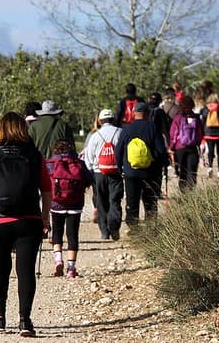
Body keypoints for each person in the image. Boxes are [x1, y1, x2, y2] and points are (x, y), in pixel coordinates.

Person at [0, 112, 51, 337]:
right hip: (29, 220)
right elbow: (46, 190)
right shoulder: (35, 156)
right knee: (25, 271)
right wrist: (45, 218)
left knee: (1, 268)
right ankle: (25, 321)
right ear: (23, 130)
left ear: (1, 130)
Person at [115, 102, 169, 229]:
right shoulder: (153, 127)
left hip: (131, 172)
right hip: (151, 172)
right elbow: (161, 150)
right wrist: (165, 165)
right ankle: (150, 228)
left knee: (132, 202)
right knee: (150, 201)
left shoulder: (127, 129)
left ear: (134, 113)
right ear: (147, 113)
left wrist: (120, 168)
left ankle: (134, 229)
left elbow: (118, 151)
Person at [46, 140, 93, 278]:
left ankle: (58, 260)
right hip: (75, 204)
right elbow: (89, 180)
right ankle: (71, 269)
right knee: (72, 235)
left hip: (56, 204)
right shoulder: (79, 163)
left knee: (57, 233)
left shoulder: (51, 164)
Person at [83, 109, 124, 240]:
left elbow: (89, 156)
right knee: (115, 200)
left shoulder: (95, 135)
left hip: (98, 173)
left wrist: (91, 171)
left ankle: (104, 231)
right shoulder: (120, 132)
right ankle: (114, 227)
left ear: (100, 121)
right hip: (116, 173)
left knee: (101, 202)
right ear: (113, 119)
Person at [169, 96, 204, 192]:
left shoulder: (178, 118)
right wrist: (197, 143)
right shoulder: (196, 117)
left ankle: (183, 192)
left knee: (183, 171)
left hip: (180, 148)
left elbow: (174, 133)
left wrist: (172, 147)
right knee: (192, 171)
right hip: (193, 147)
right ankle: (191, 191)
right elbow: (200, 133)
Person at [200, 93, 219, 178]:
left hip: (208, 134)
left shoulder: (205, 109)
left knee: (210, 151)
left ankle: (210, 167)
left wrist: (202, 134)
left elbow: (202, 123)